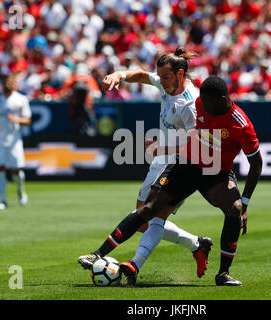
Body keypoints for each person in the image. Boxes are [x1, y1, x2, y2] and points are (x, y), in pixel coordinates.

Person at [79, 75, 263, 286]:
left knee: (235, 209)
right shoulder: (201, 103)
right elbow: (192, 136)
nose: (202, 105)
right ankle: (98, 253)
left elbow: (256, 164)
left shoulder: (240, 123)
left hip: (215, 172)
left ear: (223, 98)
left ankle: (223, 274)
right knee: (148, 209)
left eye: (207, 102)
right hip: (186, 165)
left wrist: (246, 204)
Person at [79, 48, 214, 279]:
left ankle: (127, 263)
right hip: (162, 160)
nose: (161, 81)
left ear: (181, 74)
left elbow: (198, 145)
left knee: (151, 215)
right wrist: (119, 75)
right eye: (160, 76)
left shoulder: (190, 104)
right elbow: (141, 75)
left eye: (166, 77)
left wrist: (161, 148)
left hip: (184, 165)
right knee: (144, 221)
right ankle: (197, 244)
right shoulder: (165, 83)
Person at [0, 75, 32, 210]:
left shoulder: (21, 99)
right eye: (7, 81)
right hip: (0, 139)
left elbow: (28, 120)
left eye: (11, 81)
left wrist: (16, 119)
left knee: (16, 170)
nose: (9, 84)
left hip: (14, 140)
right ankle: (3, 199)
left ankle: (20, 190)